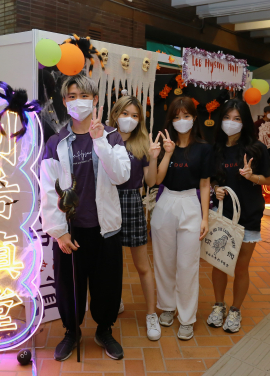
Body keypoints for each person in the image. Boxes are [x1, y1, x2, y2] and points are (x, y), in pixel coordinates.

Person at [39, 74, 131, 361]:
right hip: (71, 230)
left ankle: (104, 330)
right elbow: (48, 189)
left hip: (105, 229)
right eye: (71, 96)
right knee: (69, 286)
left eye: (84, 95)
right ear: (65, 102)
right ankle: (71, 332)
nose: (77, 101)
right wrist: (58, 231)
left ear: (95, 100)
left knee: (107, 284)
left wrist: (99, 141)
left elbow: (121, 175)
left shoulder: (112, 136)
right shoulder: (56, 142)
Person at [207, 98, 270, 333]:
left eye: (236, 119)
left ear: (245, 122)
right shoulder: (215, 148)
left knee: (240, 267)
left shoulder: (256, 149)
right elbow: (210, 178)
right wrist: (216, 188)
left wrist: (251, 176)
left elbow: (268, 180)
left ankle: (235, 310)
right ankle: (218, 305)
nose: (231, 123)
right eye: (226, 118)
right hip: (222, 215)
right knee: (219, 264)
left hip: (249, 215)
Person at [151, 96, 213, 341]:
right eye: (176, 117)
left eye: (186, 116)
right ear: (170, 121)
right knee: (164, 260)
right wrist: (166, 153)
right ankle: (167, 307)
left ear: (194, 118)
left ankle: (187, 318)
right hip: (166, 202)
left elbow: (205, 185)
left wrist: (205, 217)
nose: (181, 121)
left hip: (190, 203)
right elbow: (157, 180)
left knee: (187, 265)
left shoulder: (204, 148)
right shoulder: (167, 145)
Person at [109, 95, 162, 341]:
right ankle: (113, 300)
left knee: (142, 265)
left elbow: (151, 182)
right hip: (106, 202)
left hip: (131, 201)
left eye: (134, 115)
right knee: (109, 262)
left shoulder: (142, 144)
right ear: (115, 114)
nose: (128, 119)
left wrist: (153, 157)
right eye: (124, 113)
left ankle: (151, 314)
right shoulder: (105, 139)